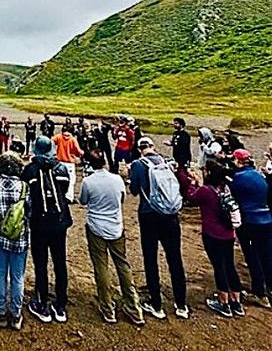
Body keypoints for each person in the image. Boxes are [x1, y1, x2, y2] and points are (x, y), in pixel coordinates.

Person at [80, 150, 145, 325]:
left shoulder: (88, 181)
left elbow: (83, 201)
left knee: (101, 267)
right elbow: (122, 199)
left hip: (96, 226)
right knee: (122, 264)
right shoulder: (117, 179)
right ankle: (133, 306)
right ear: (104, 162)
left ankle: (108, 307)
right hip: (115, 226)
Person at [129, 137, 189, 319]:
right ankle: (181, 304)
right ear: (153, 147)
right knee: (175, 258)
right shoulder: (165, 162)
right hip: (170, 215)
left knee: (150, 258)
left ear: (139, 149)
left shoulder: (138, 165)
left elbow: (134, 190)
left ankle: (156, 304)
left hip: (149, 214)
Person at [24, 136, 74, 323]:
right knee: (60, 262)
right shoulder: (60, 168)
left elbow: (26, 194)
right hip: (59, 222)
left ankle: (42, 302)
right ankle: (60, 304)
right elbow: (65, 189)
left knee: (41, 263)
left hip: (39, 223)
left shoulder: (30, 170)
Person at [188, 158, 245, 317]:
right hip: (228, 234)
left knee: (219, 267)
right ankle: (236, 302)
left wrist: (193, 183)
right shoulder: (225, 188)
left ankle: (223, 302)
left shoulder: (206, 191)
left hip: (212, 234)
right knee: (229, 266)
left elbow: (191, 197)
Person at [0, 152, 28, 330]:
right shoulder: (24, 186)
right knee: (17, 277)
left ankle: (1, 311)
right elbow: (29, 211)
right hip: (19, 238)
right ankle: (16, 314)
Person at [232, 148, 272, 309]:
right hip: (266, 219)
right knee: (266, 255)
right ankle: (269, 287)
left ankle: (259, 293)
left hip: (249, 222)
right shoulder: (259, 175)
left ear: (238, 161)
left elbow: (233, 198)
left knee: (252, 256)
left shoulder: (238, 178)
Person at [53, 127, 83, 198]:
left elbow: (51, 142)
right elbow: (79, 151)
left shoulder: (59, 137)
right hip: (70, 163)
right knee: (71, 181)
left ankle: (60, 195)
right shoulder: (72, 139)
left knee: (59, 179)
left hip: (60, 162)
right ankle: (69, 197)